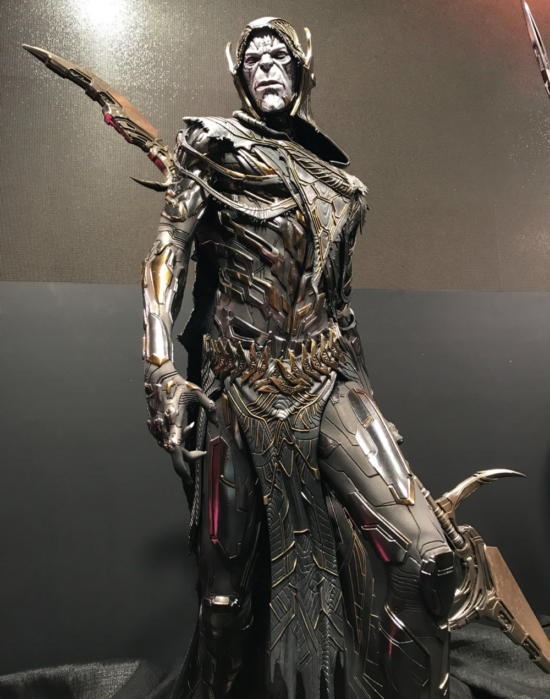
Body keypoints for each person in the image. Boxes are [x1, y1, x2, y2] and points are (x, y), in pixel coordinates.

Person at [142, 17, 457, 699]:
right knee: (224, 599)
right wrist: (159, 364)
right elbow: (169, 248)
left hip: (324, 376)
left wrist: (370, 402)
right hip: (237, 384)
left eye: (278, 56)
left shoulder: (341, 188)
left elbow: (339, 307)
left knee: (428, 557)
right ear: (239, 77)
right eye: (252, 60)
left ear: (302, 70)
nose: (265, 67)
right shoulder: (211, 145)